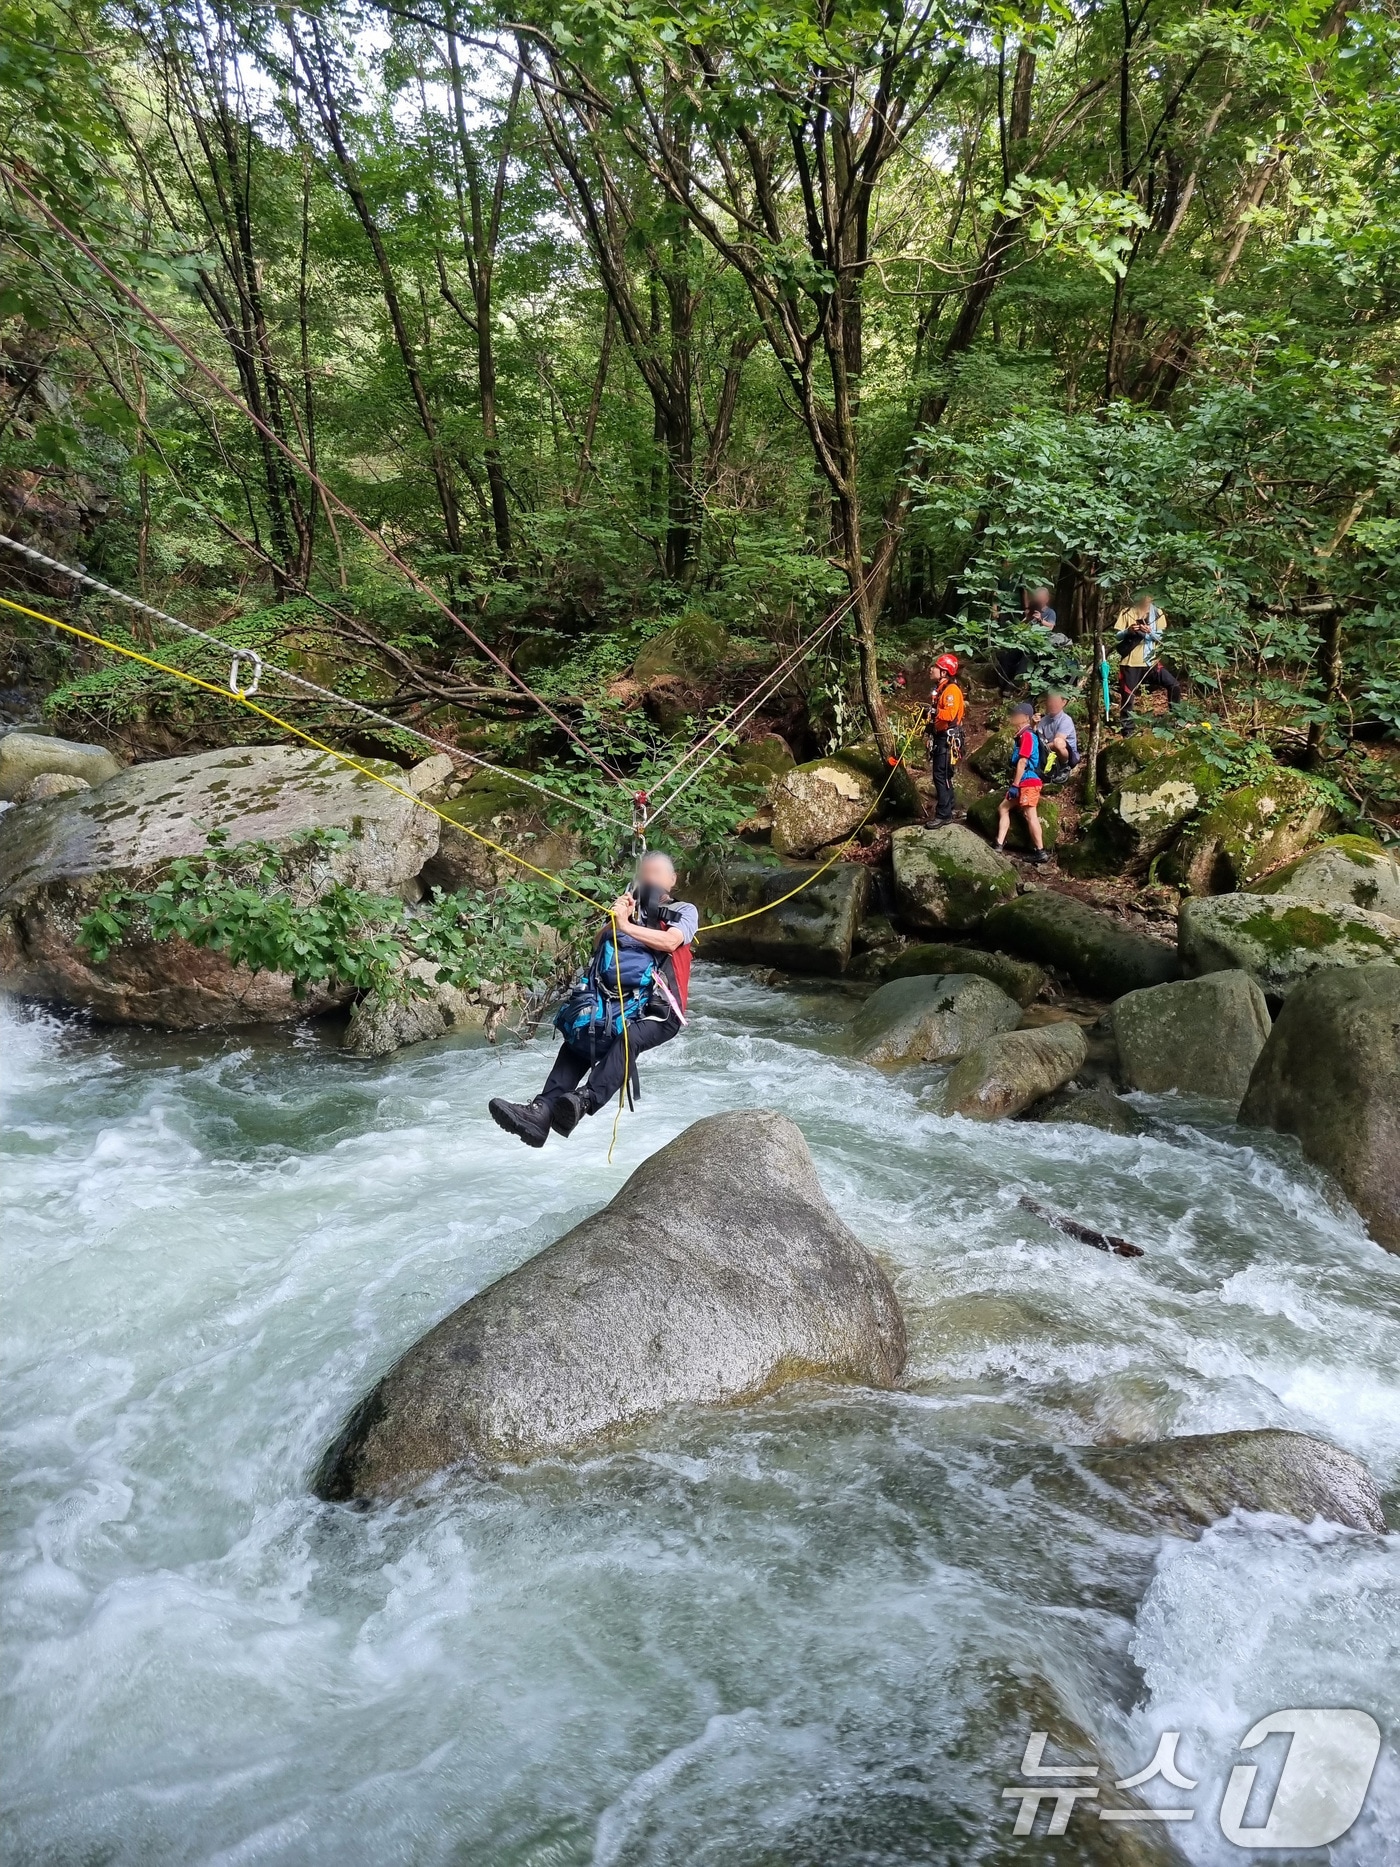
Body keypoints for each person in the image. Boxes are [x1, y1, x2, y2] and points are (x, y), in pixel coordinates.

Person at [488, 849, 697, 1147]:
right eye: (644, 873)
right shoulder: (629, 908)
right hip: (612, 1001)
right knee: (579, 1038)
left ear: (672, 880)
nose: (648, 878)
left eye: (655, 873)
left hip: (660, 1011)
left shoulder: (685, 911)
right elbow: (598, 943)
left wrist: (626, 926)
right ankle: (540, 1114)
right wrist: (616, 918)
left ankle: (585, 1099)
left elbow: (670, 941)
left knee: (631, 1036)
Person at [995, 701, 1052, 864]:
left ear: (1025, 718)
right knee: (1003, 807)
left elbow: (1022, 762)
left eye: (1016, 714)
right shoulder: (1022, 735)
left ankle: (1040, 851)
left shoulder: (1027, 736)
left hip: (1028, 782)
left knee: (1030, 815)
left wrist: (1014, 785)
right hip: (1023, 782)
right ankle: (999, 843)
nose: (1013, 717)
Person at [1116, 592, 1181, 714]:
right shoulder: (1127, 612)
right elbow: (1117, 637)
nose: (1146, 598)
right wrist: (1128, 631)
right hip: (1131, 663)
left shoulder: (1157, 613)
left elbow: (1161, 638)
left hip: (1152, 662)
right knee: (1128, 698)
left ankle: (1176, 718)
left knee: (1174, 685)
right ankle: (1127, 730)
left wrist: (1149, 632)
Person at [994, 586, 1061, 690]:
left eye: (1041, 597)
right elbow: (1020, 627)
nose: (1039, 598)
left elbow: (1051, 627)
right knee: (1008, 657)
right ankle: (1002, 683)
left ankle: (1011, 688)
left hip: (1038, 645)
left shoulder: (1050, 612)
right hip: (1025, 641)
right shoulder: (1032, 610)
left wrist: (1040, 620)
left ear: (1046, 599)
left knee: (1025, 662)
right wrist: (1028, 618)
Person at [926, 652, 966, 823]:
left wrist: (933, 712)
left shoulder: (951, 690)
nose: (931, 669)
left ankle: (944, 814)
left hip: (947, 740)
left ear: (944, 672)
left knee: (941, 776)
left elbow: (949, 714)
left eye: (935, 667)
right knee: (943, 775)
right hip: (941, 737)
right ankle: (948, 808)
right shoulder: (942, 689)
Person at [1036, 691, 1079, 783]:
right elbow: (1037, 737)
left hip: (1068, 755)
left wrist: (1042, 746)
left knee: (1058, 742)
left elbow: (1058, 742)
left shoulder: (1065, 720)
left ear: (1063, 702)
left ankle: (1064, 766)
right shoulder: (1043, 720)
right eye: (1050, 700)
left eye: (1055, 701)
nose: (1052, 704)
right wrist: (1033, 724)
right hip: (1048, 753)